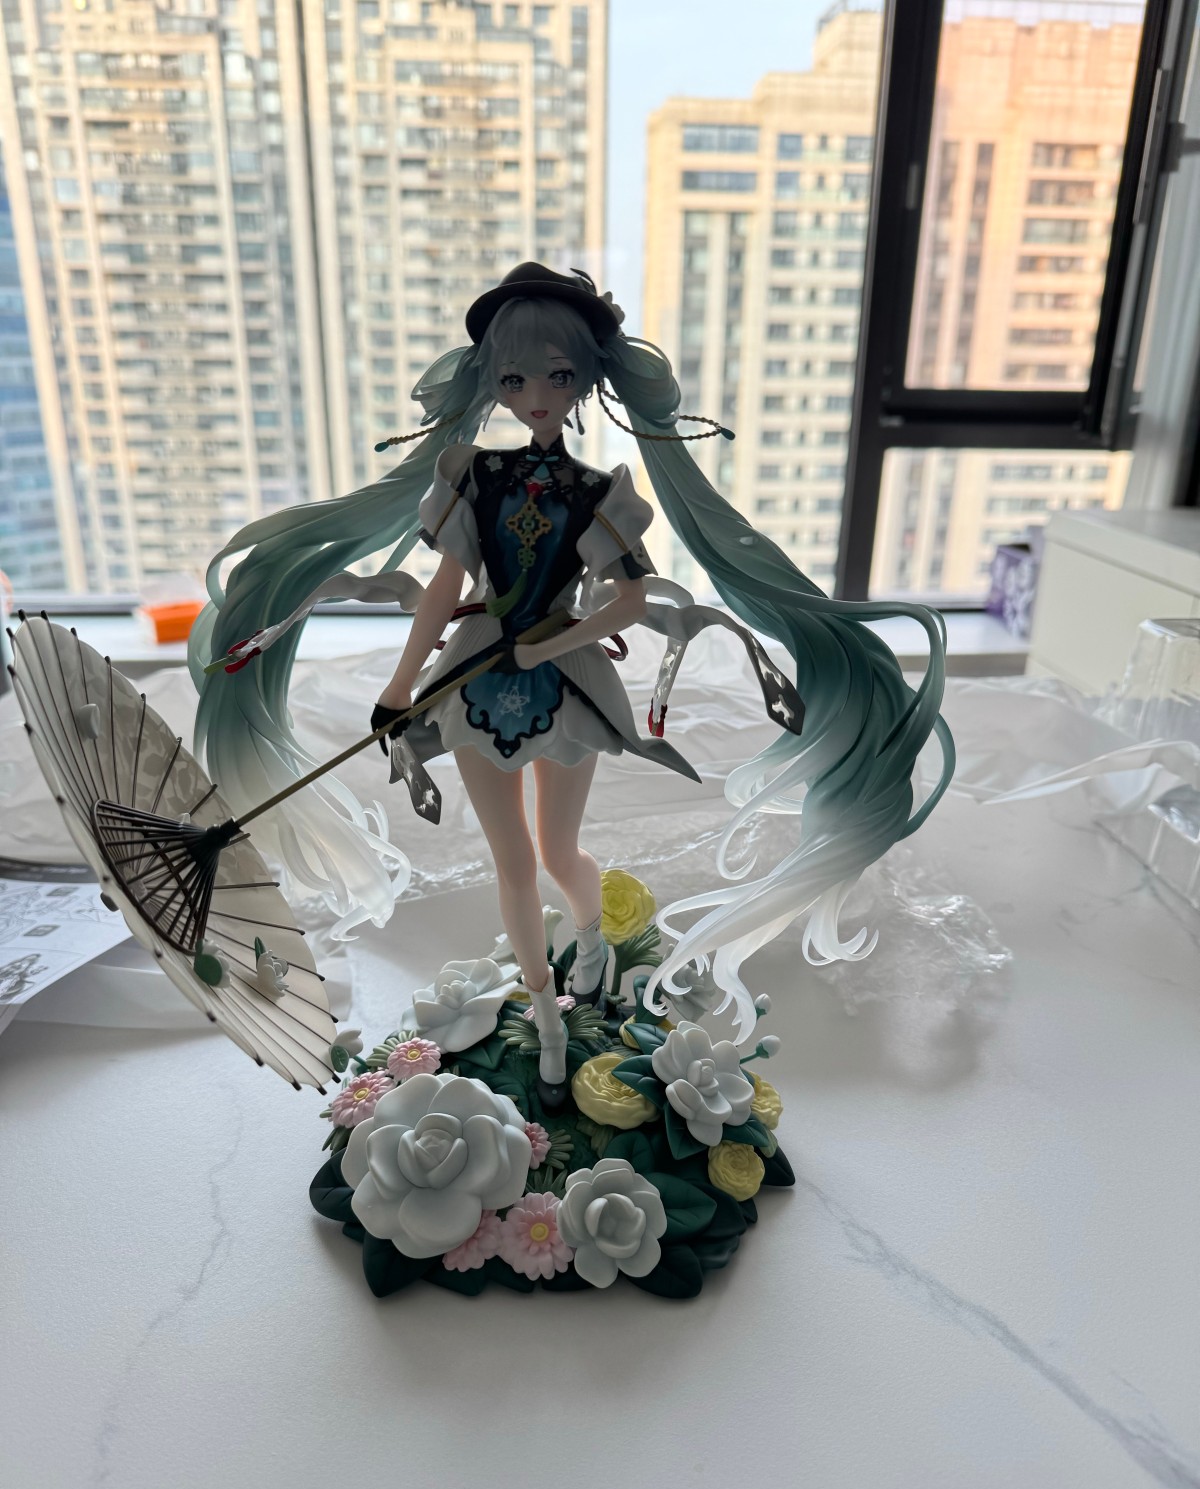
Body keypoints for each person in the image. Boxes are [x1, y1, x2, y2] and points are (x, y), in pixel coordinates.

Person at [189, 263, 954, 1112]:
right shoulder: (470, 475)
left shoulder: (597, 492)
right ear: (493, 385)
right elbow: (444, 589)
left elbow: (628, 598)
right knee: (512, 862)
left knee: (559, 851)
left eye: (556, 377)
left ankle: (590, 941)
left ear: (585, 380)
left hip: (567, 682)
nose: (536, 397)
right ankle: (546, 1016)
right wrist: (401, 687)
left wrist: (558, 641)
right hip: (475, 677)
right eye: (514, 379)